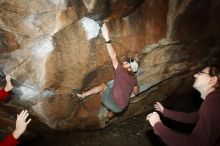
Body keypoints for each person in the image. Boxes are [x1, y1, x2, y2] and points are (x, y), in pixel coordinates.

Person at [77, 23, 139, 123]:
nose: (125, 61)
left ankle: (83, 95)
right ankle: (107, 118)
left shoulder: (121, 71)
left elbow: (113, 56)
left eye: (127, 63)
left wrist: (107, 38)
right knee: (113, 108)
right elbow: (136, 91)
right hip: (121, 108)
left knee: (103, 86)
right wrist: (131, 91)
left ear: (129, 69)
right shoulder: (134, 79)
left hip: (111, 102)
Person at [146, 65, 220, 146]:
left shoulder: (213, 104)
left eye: (200, 73)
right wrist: (164, 111)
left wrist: (158, 126)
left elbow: (196, 143)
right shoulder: (214, 100)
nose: (195, 75)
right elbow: (195, 117)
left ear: (212, 80)